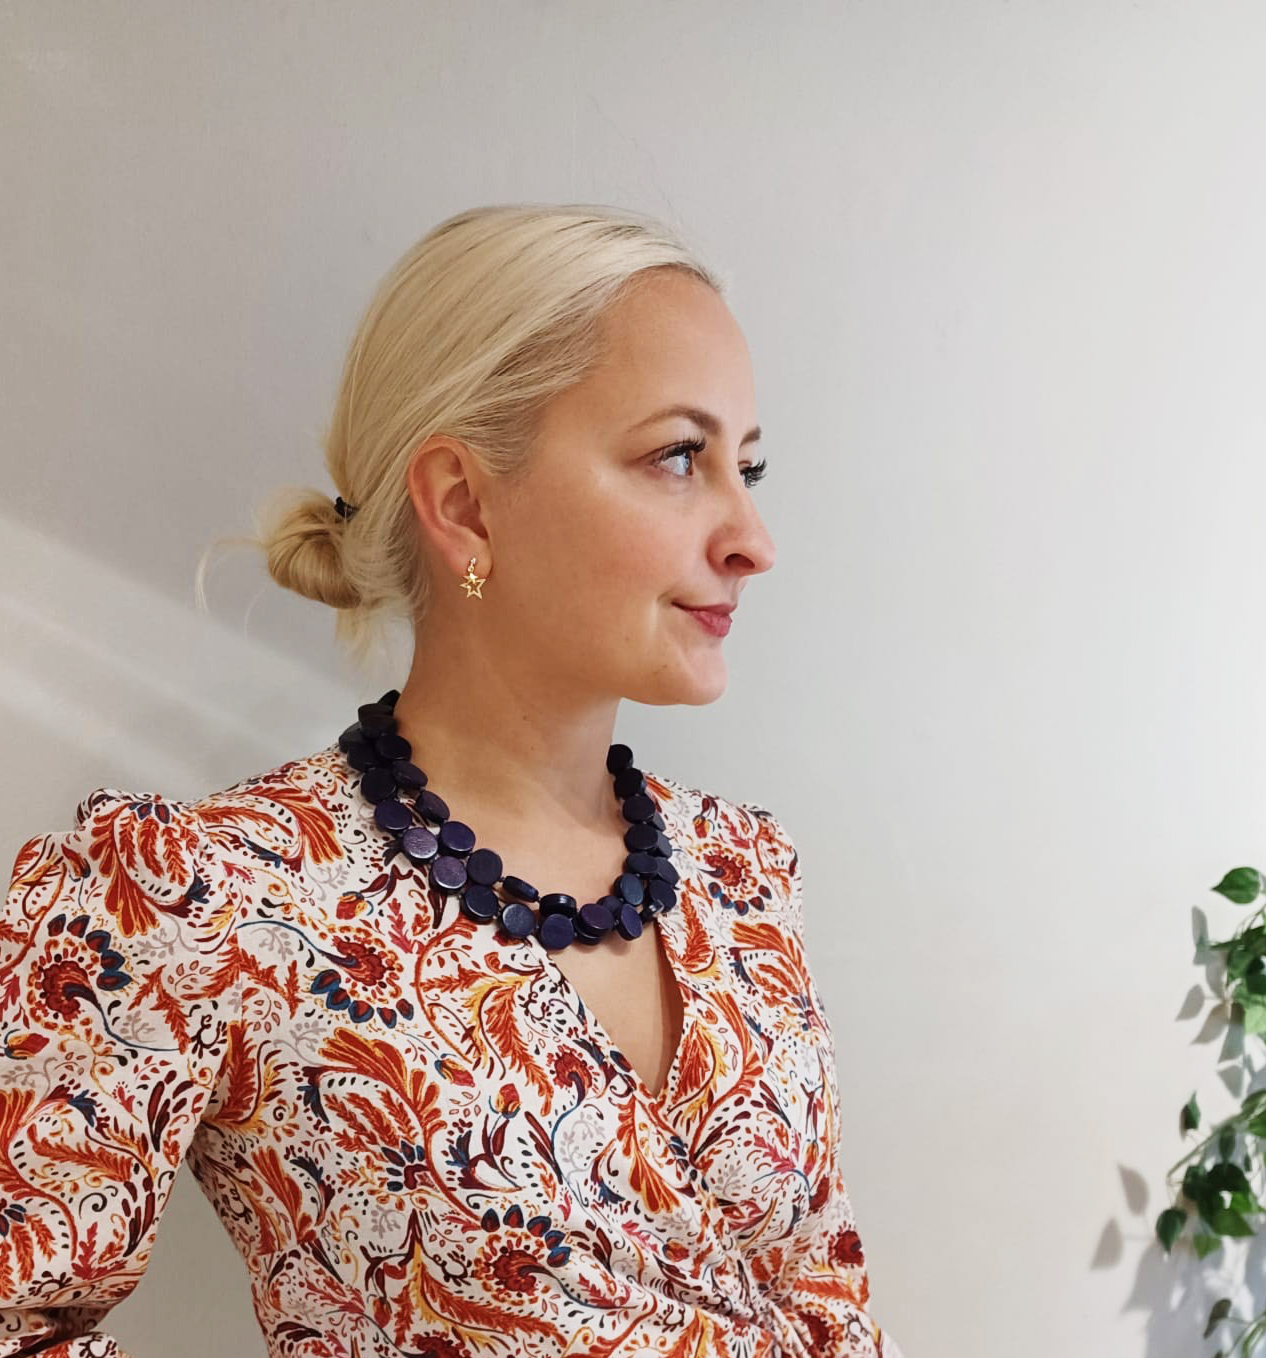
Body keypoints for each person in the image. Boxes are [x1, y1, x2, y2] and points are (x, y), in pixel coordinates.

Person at [0, 203, 904, 1357]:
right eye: (680, 455)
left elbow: (828, 1302)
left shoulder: (743, 874)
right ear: (465, 503)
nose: (752, 535)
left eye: (748, 462)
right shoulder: (207, 896)